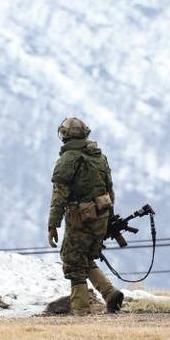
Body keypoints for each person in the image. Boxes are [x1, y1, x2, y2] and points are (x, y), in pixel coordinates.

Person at [46, 117, 124, 315]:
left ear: (64, 135)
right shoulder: (99, 156)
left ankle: (81, 312)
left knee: (73, 263)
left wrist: (52, 225)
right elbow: (109, 189)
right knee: (86, 258)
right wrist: (109, 219)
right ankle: (109, 293)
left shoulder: (67, 160)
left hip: (81, 218)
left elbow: (59, 196)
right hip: (102, 215)